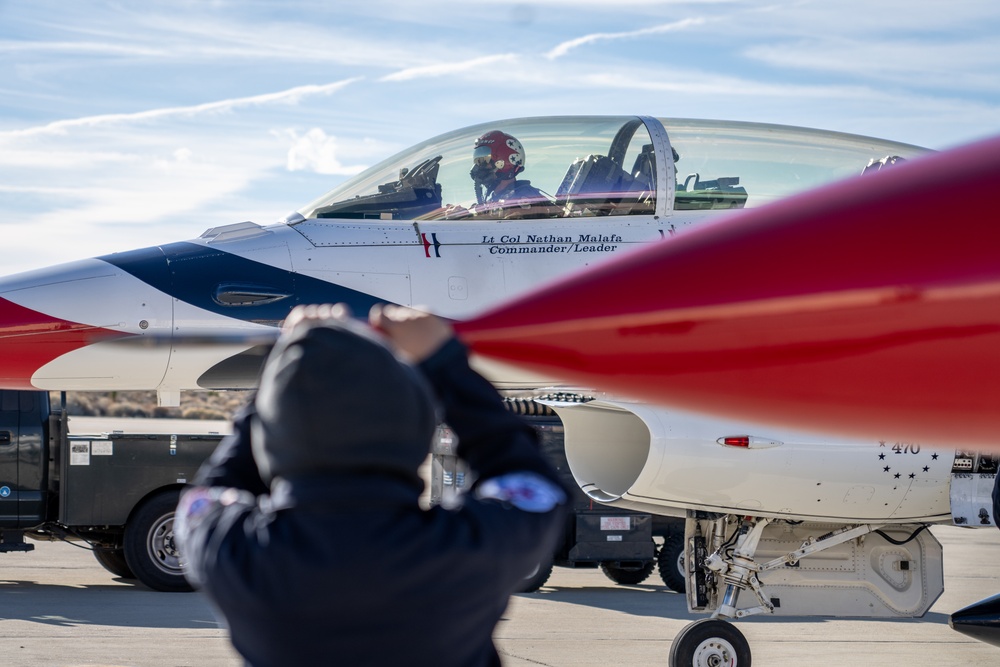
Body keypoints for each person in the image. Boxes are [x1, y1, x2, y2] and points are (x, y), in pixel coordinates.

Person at [174, 303, 569, 667]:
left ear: (272, 436)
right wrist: (445, 362)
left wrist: (291, 363)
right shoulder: (464, 552)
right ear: (415, 428)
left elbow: (212, 489)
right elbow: (528, 481)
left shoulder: (231, 552)